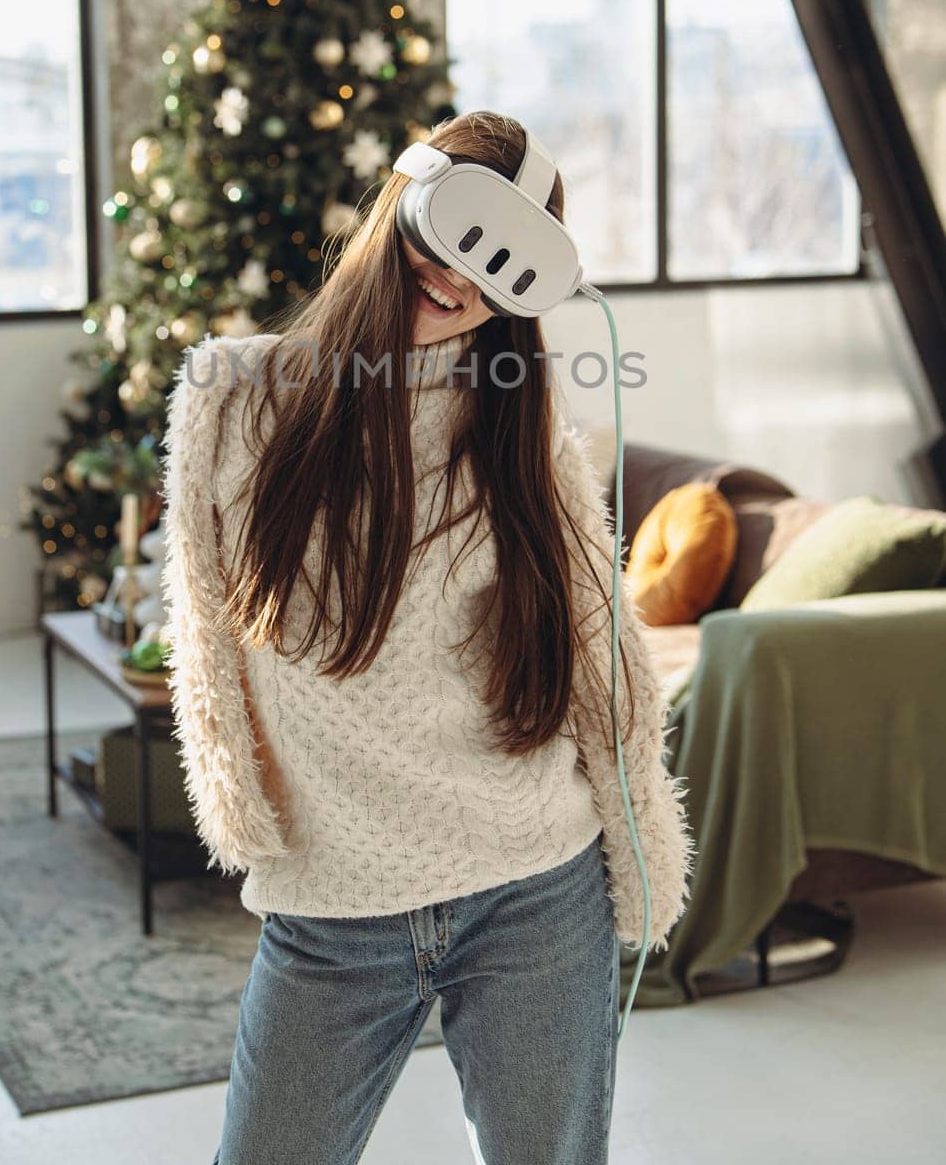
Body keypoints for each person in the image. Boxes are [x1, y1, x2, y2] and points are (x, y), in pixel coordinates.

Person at [160, 111, 695, 1165]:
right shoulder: (232, 402)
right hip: (330, 906)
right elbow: (205, 640)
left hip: (534, 891)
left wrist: (643, 858)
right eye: (445, 234)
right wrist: (242, 808)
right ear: (398, 206)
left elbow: (597, 652)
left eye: (497, 267)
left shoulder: (516, 426)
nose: (458, 281)